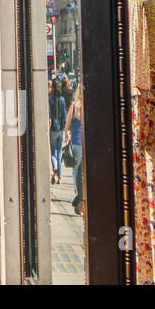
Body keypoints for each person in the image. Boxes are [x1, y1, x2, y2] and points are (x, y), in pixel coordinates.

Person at [65, 84, 84, 214]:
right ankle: (81, 200)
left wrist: (68, 134)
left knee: (77, 173)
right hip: (84, 144)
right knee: (82, 173)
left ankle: (79, 197)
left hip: (76, 143)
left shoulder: (73, 107)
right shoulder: (88, 106)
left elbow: (67, 126)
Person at [49, 79, 67, 185]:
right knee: (60, 152)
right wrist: (64, 128)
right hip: (60, 129)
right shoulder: (63, 100)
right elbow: (64, 115)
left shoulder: (50, 99)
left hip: (53, 129)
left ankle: (54, 166)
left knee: (53, 152)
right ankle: (60, 178)